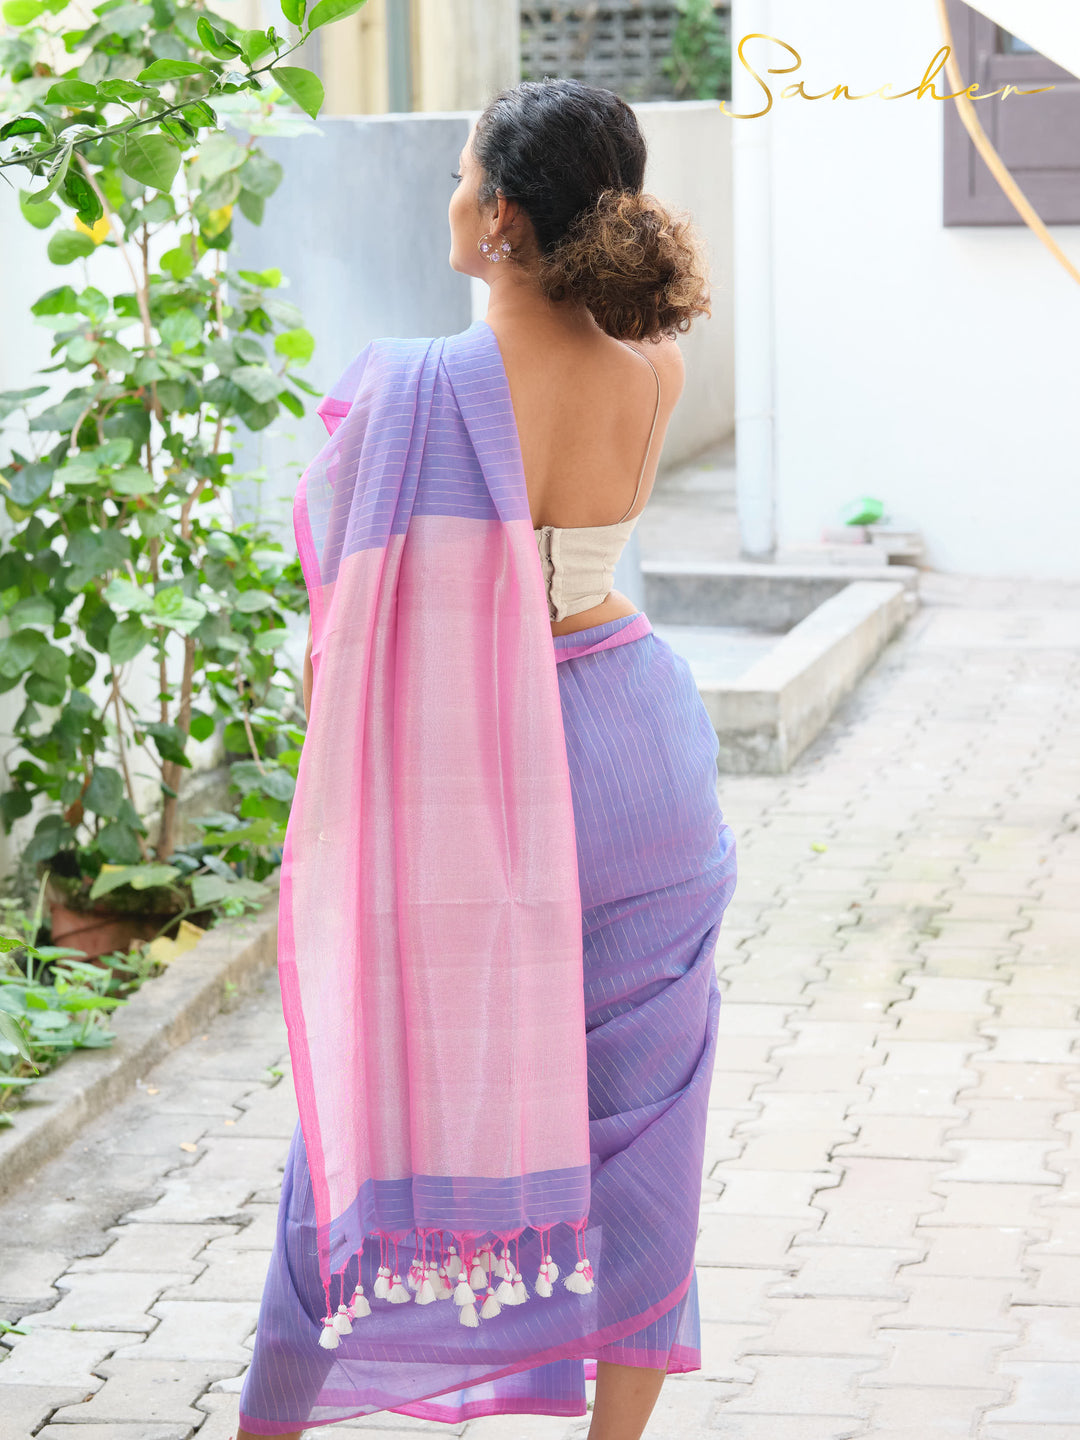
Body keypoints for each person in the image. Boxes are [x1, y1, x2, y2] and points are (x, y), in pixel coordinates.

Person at [235, 78, 737, 1440]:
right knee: (650, 1123)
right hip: (638, 746)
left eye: (464, 174)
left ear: (503, 216)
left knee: (390, 1081)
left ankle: (273, 1419)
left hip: (485, 776)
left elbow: (348, 609)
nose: (450, 195)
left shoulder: (415, 383)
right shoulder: (655, 366)